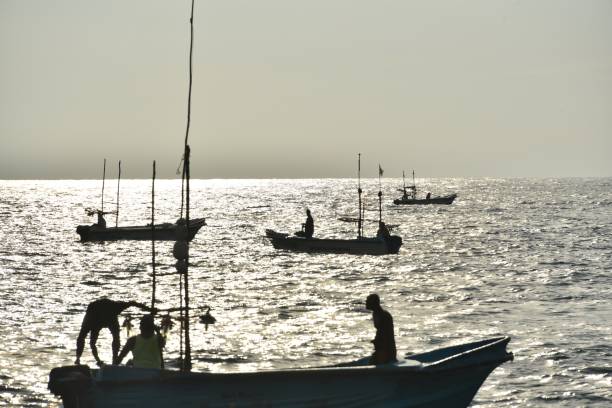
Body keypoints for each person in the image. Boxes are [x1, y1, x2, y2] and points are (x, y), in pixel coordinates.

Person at [75, 298, 155, 366]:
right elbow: (82, 338)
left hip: (109, 314)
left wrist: (149, 309)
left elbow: (132, 303)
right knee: (89, 340)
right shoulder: (91, 318)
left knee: (115, 337)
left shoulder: (116, 308)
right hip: (96, 316)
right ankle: (80, 359)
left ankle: (114, 361)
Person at [366, 294, 397, 365]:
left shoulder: (384, 315)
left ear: (374, 303)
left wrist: (377, 341)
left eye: (368, 301)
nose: (366, 303)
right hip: (380, 348)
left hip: (386, 349)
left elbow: (386, 334)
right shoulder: (375, 314)